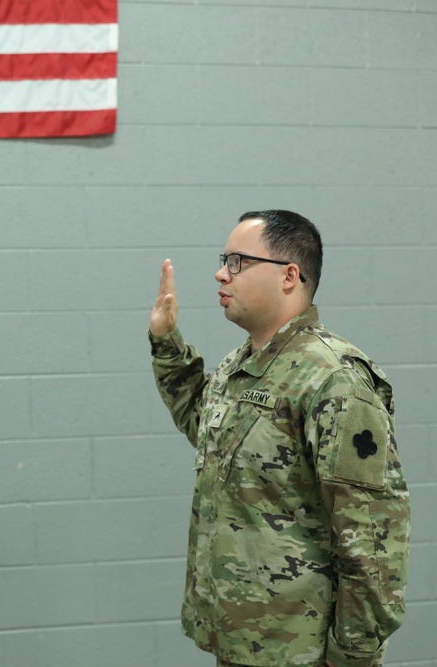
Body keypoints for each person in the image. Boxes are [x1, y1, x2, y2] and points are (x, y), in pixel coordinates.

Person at [148, 210, 409, 667]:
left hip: (301, 651)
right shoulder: (245, 364)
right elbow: (204, 426)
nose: (220, 273)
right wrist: (167, 342)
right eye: (223, 260)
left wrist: (351, 654)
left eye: (237, 261)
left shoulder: (334, 379)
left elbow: (372, 537)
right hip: (245, 640)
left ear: (289, 275)